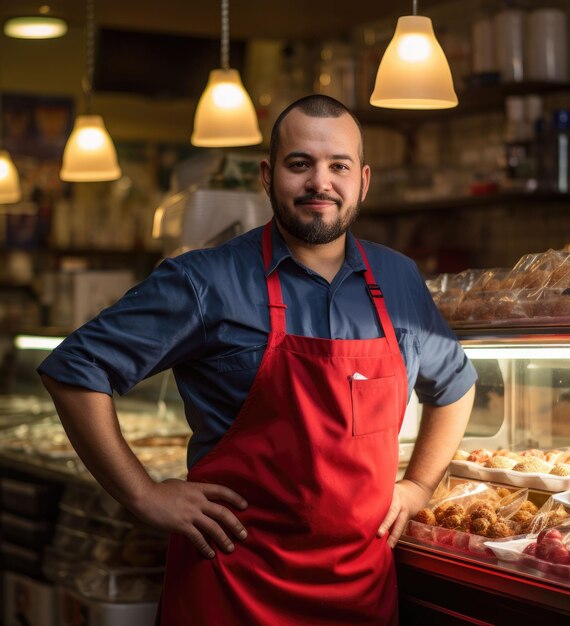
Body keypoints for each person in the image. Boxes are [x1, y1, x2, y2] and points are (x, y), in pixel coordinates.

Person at [38, 94, 476, 625]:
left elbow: (454, 384)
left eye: (338, 166)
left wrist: (419, 485)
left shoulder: (399, 278)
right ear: (268, 177)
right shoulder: (204, 280)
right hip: (233, 585)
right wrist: (143, 495)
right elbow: (76, 370)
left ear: (362, 180)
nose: (320, 182)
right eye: (300, 164)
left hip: (360, 590)